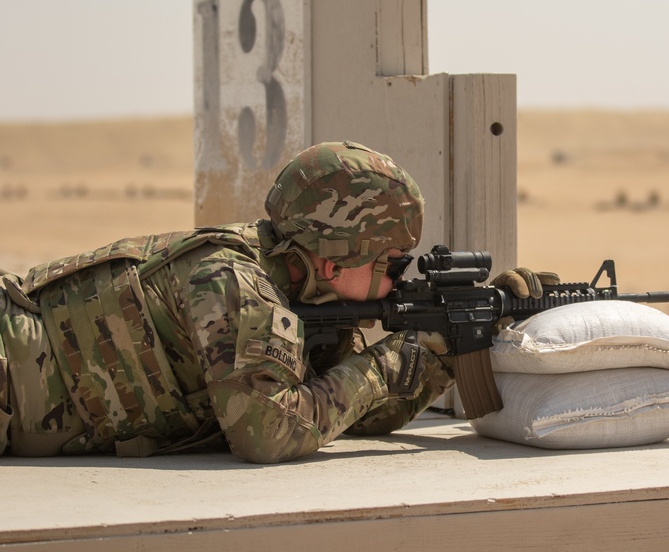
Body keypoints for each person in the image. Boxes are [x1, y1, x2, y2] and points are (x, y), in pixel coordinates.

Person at [0, 141, 550, 463]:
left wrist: (441, 352)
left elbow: (346, 417)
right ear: (334, 261)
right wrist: (388, 362)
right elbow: (268, 432)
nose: (395, 281)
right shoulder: (236, 285)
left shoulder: (304, 289)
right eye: (391, 264)